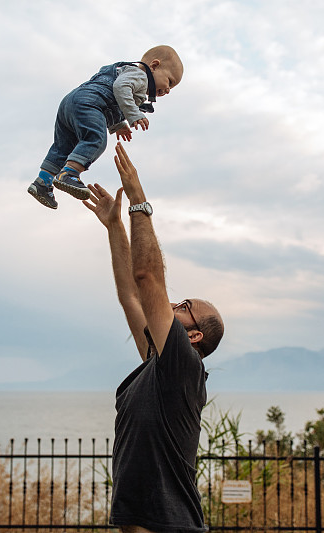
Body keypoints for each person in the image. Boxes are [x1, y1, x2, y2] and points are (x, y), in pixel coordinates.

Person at [84, 142, 224, 533]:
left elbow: (148, 279)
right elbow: (131, 293)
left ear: (193, 334)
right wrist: (114, 226)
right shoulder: (159, 365)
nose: (172, 304)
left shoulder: (184, 365)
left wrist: (138, 202)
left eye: (183, 305)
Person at [28, 45, 184, 210]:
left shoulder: (124, 72)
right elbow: (120, 89)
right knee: (96, 139)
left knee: (64, 146)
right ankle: (69, 173)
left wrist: (118, 125)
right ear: (154, 66)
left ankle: (42, 183)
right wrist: (134, 115)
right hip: (88, 103)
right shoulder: (139, 76)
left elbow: (109, 103)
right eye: (170, 82)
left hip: (71, 103)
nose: (167, 90)